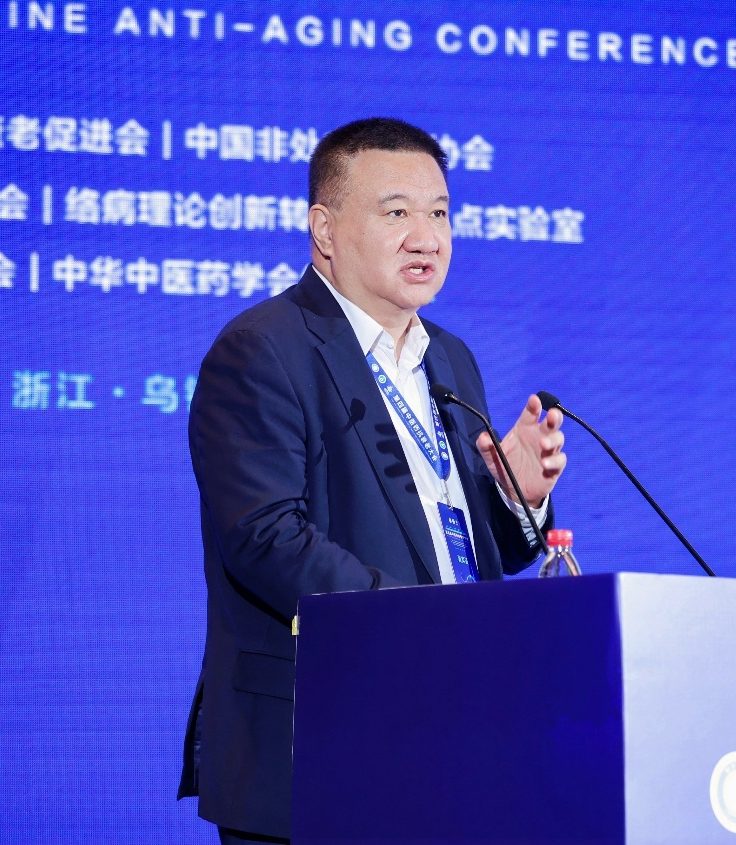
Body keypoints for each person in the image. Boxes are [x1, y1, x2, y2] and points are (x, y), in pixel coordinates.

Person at [178, 117, 567, 844]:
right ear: (324, 229)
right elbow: (266, 539)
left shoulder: (449, 359)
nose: (427, 238)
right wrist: (426, 622)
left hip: (459, 736)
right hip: (322, 745)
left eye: (439, 214)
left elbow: (476, 551)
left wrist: (517, 496)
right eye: (396, 213)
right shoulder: (262, 349)